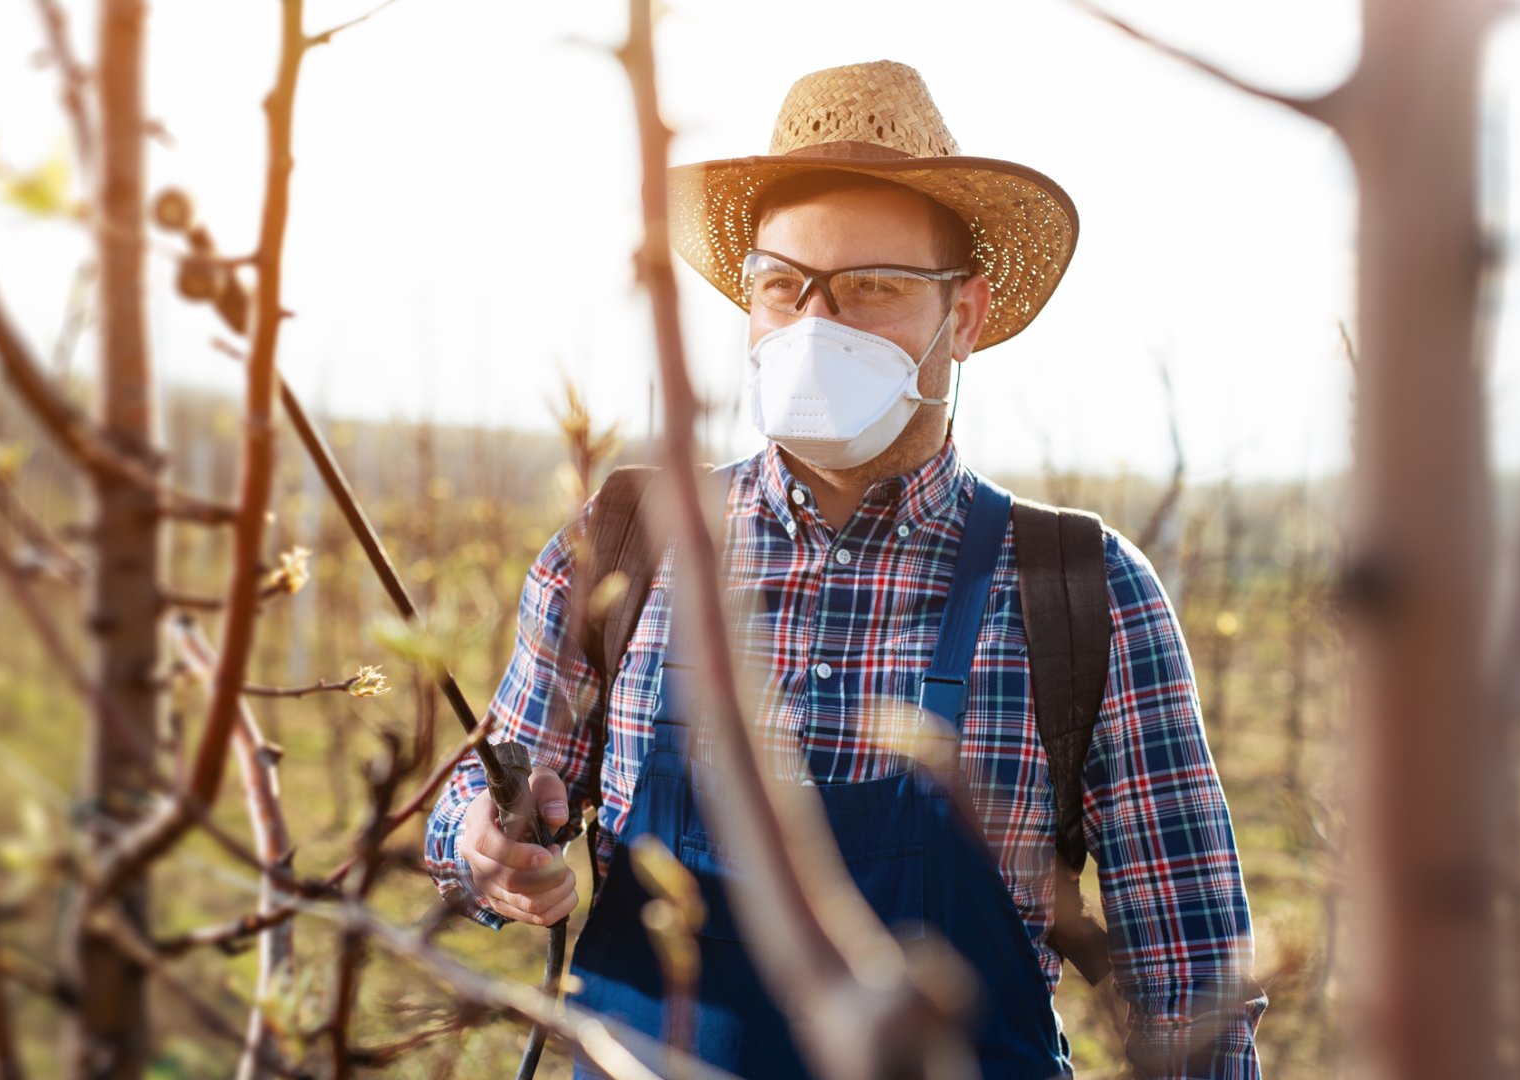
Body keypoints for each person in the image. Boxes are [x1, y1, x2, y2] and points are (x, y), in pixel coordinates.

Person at [425, 60, 1266, 1079]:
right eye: (785, 286)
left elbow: (1190, 979)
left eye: (872, 288)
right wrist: (485, 843)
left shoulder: (1082, 595)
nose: (817, 326)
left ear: (966, 317)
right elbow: (479, 797)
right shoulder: (621, 548)